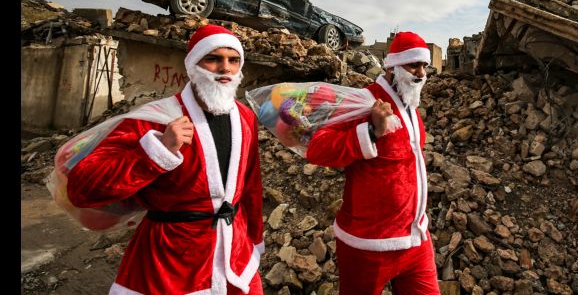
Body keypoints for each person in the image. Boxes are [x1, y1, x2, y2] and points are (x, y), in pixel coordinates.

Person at [67, 24, 265, 295]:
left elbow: (251, 185)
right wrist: (156, 151)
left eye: (233, 60)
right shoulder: (156, 119)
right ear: (194, 65)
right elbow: (82, 187)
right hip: (170, 261)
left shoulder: (245, 118)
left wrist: (255, 237)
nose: (225, 69)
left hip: (235, 254)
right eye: (213, 58)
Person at [305, 31, 440, 294]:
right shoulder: (364, 102)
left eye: (424, 66)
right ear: (392, 67)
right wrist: (370, 133)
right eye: (413, 65)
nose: (421, 73)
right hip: (368, 246)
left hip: (415, 240)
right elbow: (317, 149)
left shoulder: (410, 105)